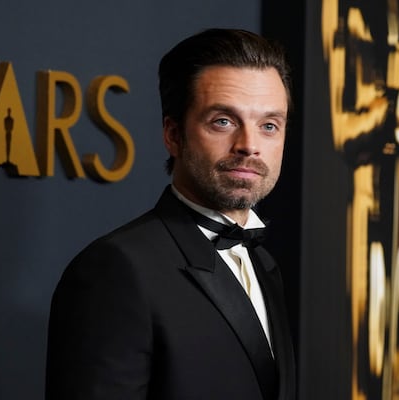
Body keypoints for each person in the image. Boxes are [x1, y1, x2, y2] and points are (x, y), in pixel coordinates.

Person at [45, 28, 296, 400]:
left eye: (269, 125)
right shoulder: (115, 269)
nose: (249, 145)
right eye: (223, 121)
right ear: (173, 134)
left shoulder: (264, 263)